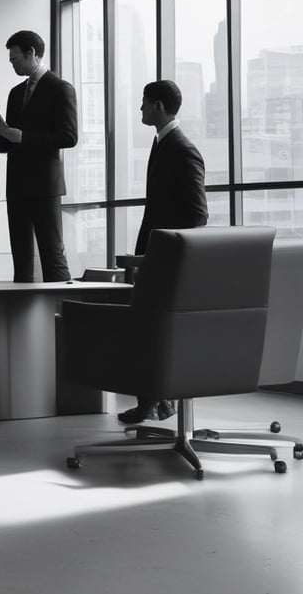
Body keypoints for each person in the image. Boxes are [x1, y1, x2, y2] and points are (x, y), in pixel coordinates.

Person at [118, 79, 209, 425]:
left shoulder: (182, 149)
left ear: (157, 105)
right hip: (155, 256)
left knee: (150, 330)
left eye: (143, 103)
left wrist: (171, 254)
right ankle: (157, 401)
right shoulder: (163, 143)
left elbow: (197, 213)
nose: (140, 109)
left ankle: (153, 402)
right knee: (147, 331)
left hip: (169, 261)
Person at [0, 30, 77, 282]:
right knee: (20, 257)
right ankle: (22, 318)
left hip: (45, 185)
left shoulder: (60, 89)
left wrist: (24, 137)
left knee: (52, 254)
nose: (12, 65)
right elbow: (11, 140)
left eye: (15, 59)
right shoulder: (15, 93)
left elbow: (69, 137)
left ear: (31, 53)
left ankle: (60, 315)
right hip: (17, 184)